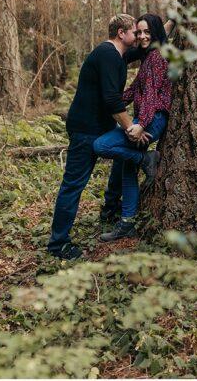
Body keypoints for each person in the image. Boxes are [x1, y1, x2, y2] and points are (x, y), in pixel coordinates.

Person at [48, 14, 142, 260]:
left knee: (123, 157)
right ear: (121, 33)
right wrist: (130, 127)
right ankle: (58, 244)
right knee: (74, 184)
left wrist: (169, 22)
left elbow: (147, 45)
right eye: (134, 31)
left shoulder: (117, 55)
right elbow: (111, 99)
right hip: (85, 130)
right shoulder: (107, 54)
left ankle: (110, 209)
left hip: (100, 128)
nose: (138, 36)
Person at [92, 14, 171, 242]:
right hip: (146, 117)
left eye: (148, 32)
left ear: (155, 33)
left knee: (101, 145)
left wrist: (140, 125)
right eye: (140, 32)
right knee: (128, 167)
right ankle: (127, 222)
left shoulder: (156, 58)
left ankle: (147, 159)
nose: (143, 36)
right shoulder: (148, 58)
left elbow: (151, 99)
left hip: (153, 119)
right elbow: (136, 91)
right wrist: (111, 102)